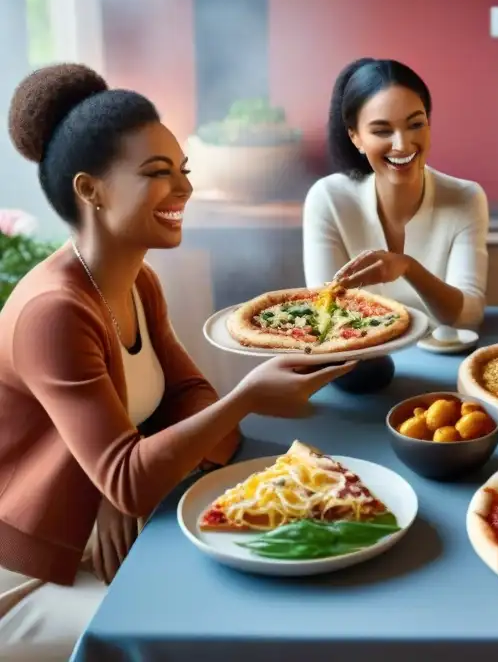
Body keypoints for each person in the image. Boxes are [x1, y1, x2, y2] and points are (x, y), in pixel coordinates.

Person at [0, 64, 356, 660]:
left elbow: (190, 396)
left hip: (118, 535)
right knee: (220, 633)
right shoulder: (54, 312)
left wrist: (127, 476)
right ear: (91, 190)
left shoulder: (139, 282)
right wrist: (239, 400)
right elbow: (145, 470)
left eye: (183, 171)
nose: (184, 190)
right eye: (157, 174)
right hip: (38, 567)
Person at [303, 57, 489, 329]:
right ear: (355, 137)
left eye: (415, 124)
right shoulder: (328, 199)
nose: (402, 145)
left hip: (443, 361)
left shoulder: (466, 198)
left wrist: (409, 268)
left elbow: (468, 316)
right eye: (382, 130)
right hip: (359, 360)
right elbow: (325, 313)